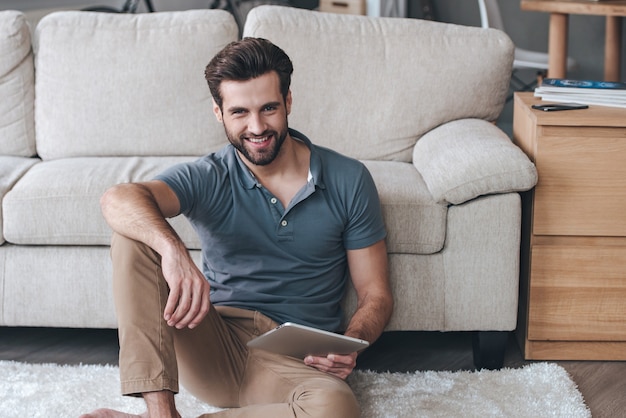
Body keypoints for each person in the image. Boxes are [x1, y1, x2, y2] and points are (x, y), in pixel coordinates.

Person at [83, 37, 393, 418]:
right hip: (213, 343)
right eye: (240, 112)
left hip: (294, 359)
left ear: (289, 102)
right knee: (133, 235)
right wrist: (173, 251)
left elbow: (375, 295)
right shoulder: (210, 174)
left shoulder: (349, 179)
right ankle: (161, 412)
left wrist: (347, 344)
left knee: (335, 408)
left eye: (269, 109)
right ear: (218, 112)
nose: (257, 127)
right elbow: (117, 198)